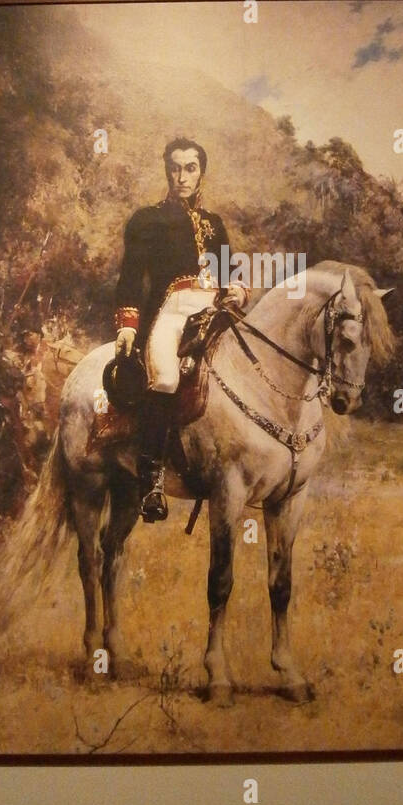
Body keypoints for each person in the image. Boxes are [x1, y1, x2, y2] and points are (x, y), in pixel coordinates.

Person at [113, 137, 248, 522]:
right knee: (168, 379)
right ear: (166, 170)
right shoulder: (147, 220)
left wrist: (235, 287)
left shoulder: (215, 223)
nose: (182, 176)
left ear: (201, 171)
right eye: (175, 167)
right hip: (170, 312)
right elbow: (129, 279)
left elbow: (229, 274)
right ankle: (150, 481)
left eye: (190, 167)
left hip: (212, 310)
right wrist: (127, 325)